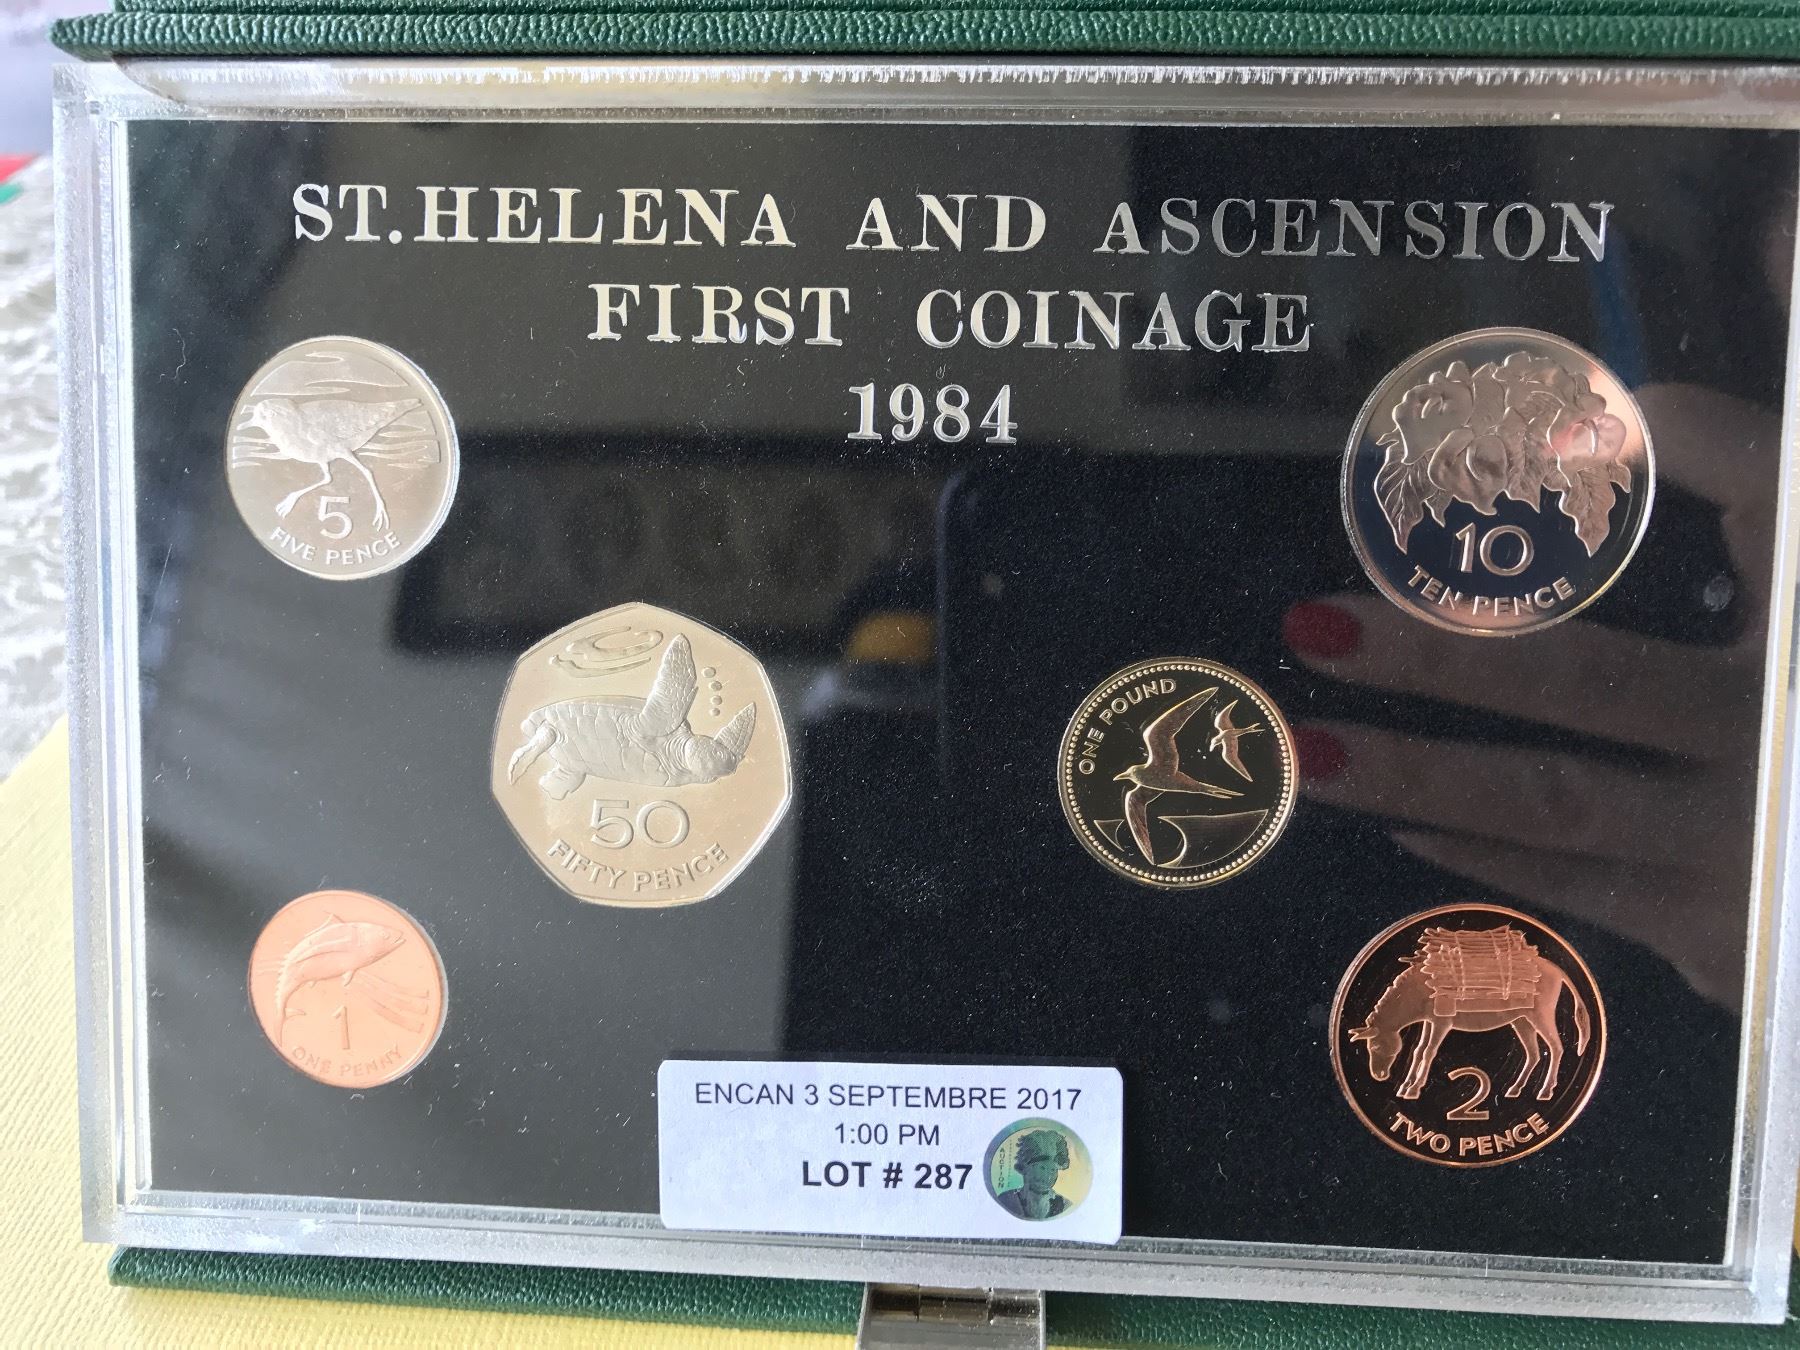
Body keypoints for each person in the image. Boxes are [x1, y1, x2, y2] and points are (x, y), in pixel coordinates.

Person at [993, 1129, 1072, 1220]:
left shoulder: (1065, 1206)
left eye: (1053, 1170)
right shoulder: (1005, 1200)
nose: (1048, 1176)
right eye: (1042, 1168)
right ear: (1024, 1168)